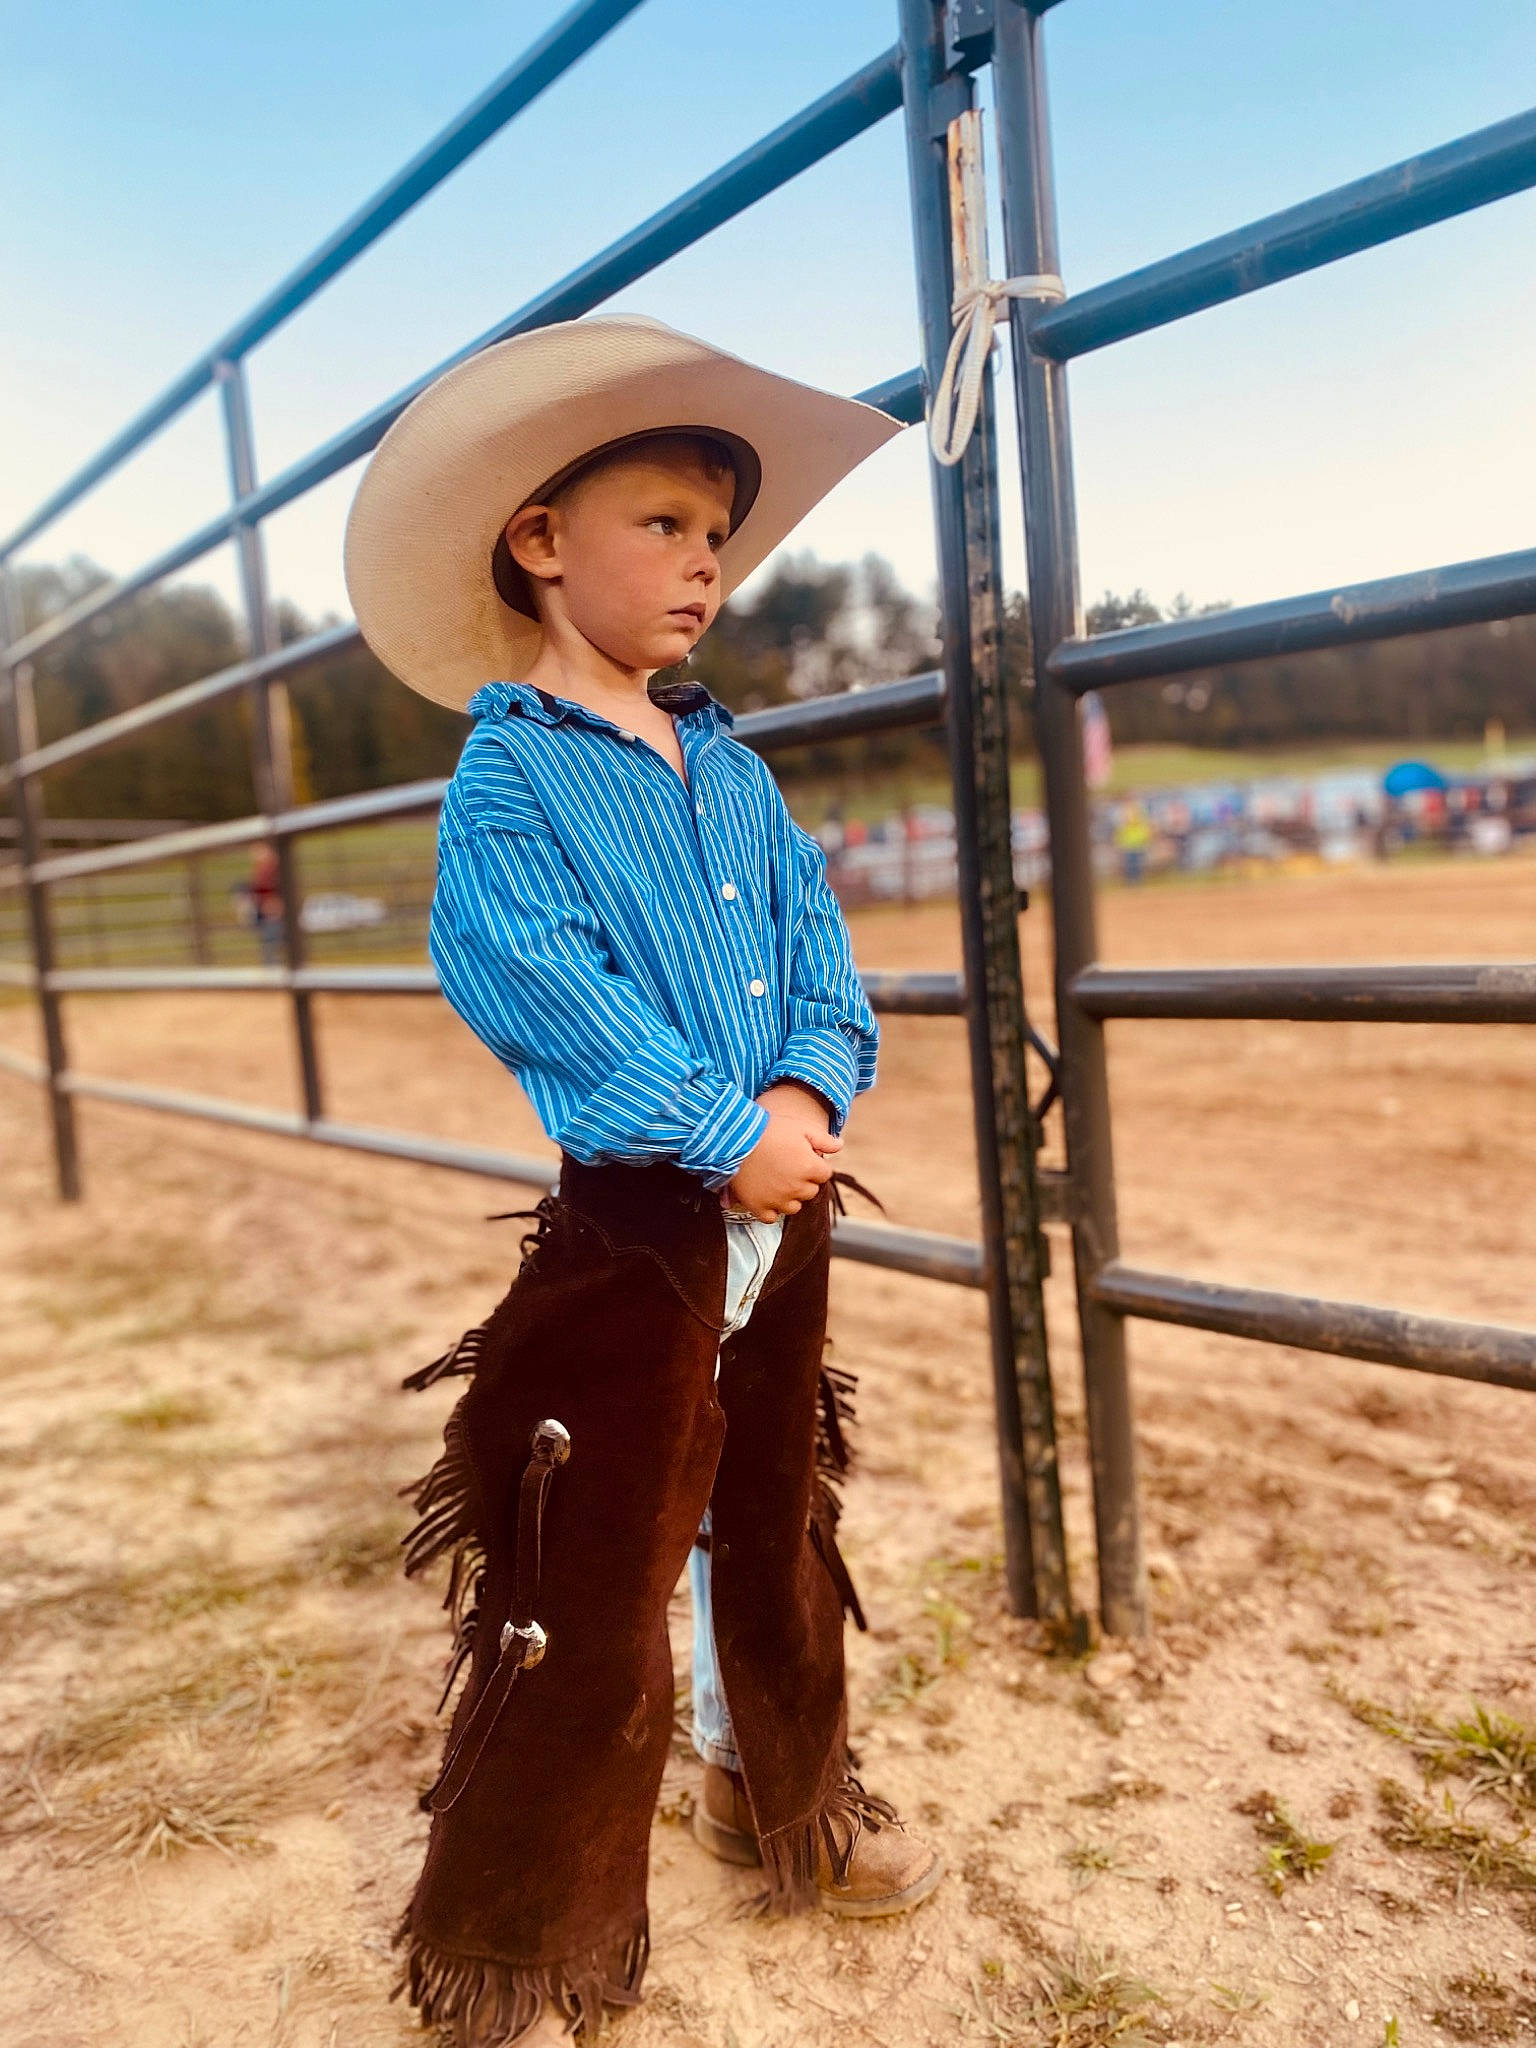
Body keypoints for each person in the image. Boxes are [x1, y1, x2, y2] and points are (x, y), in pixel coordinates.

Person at [344, 316, 942, 2048]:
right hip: (643, 1221)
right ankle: (526, 1927)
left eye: (718, 537)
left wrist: (808, 1090)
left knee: (773, 1509)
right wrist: (717, 1127)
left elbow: (826, 965)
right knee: (590, 1566)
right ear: (540, 541)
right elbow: (527, 976)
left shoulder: (735, 771)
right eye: (665, 524)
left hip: (782, 1195)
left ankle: (780, 1791)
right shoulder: (513, 772)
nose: (705, 565)